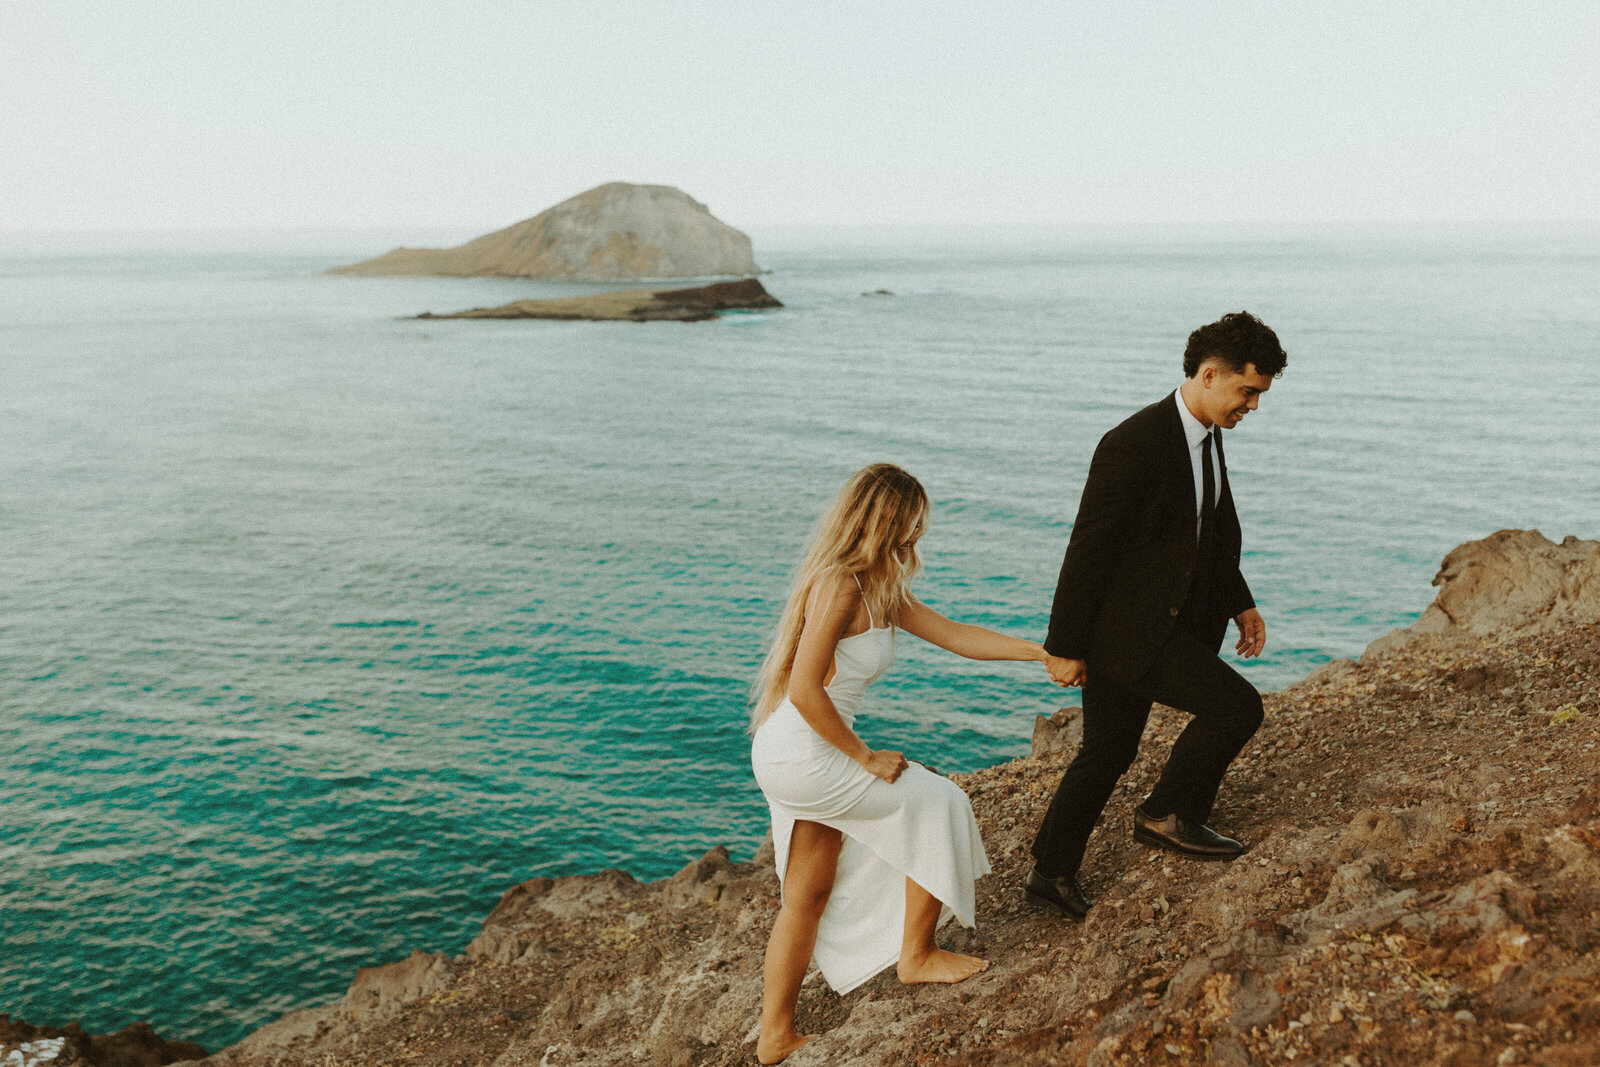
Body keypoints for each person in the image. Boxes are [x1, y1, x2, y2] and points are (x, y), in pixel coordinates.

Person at [750, 462, 1050, 1065]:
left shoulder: (878, 585)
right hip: (808, 749)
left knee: (806, 892)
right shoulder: (840, 584)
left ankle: (773, 1036)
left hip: (795, 750)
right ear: (882, 520)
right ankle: (917, 954)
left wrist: (1042, 654)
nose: (917, 536)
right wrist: (864, 757)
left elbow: (956, 635)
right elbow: (807, 690)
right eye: (909, 523)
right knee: (939, 800)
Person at [1026, 311, 1287, 923]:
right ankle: (1166, 815)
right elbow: (1088, 548)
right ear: (1209, 373)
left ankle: (1050, 867)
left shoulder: (1207, 435)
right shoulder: (1133, 443)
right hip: (1130, 633)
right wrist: (1064, 645)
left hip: (1168, 624)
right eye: (1247, 391)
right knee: (1236, 708)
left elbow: (1211, 533)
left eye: (1259, 395)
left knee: (1108, 752)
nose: (1253, 405)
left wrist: (1240, 600)